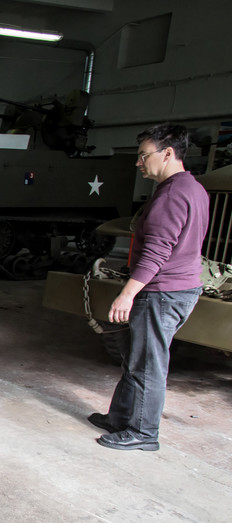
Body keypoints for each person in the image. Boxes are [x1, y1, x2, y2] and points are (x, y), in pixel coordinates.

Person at [90, 123, 209, 451]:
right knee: (136, 356)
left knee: (148, 363)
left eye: (144, 156)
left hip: (162, 292)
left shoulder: (171, 195)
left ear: (168, 153)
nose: (139, 163)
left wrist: (127, 293)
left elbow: (158, 251)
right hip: (176, 288)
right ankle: (120, 417)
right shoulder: (193, 189)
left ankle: (143, 432)